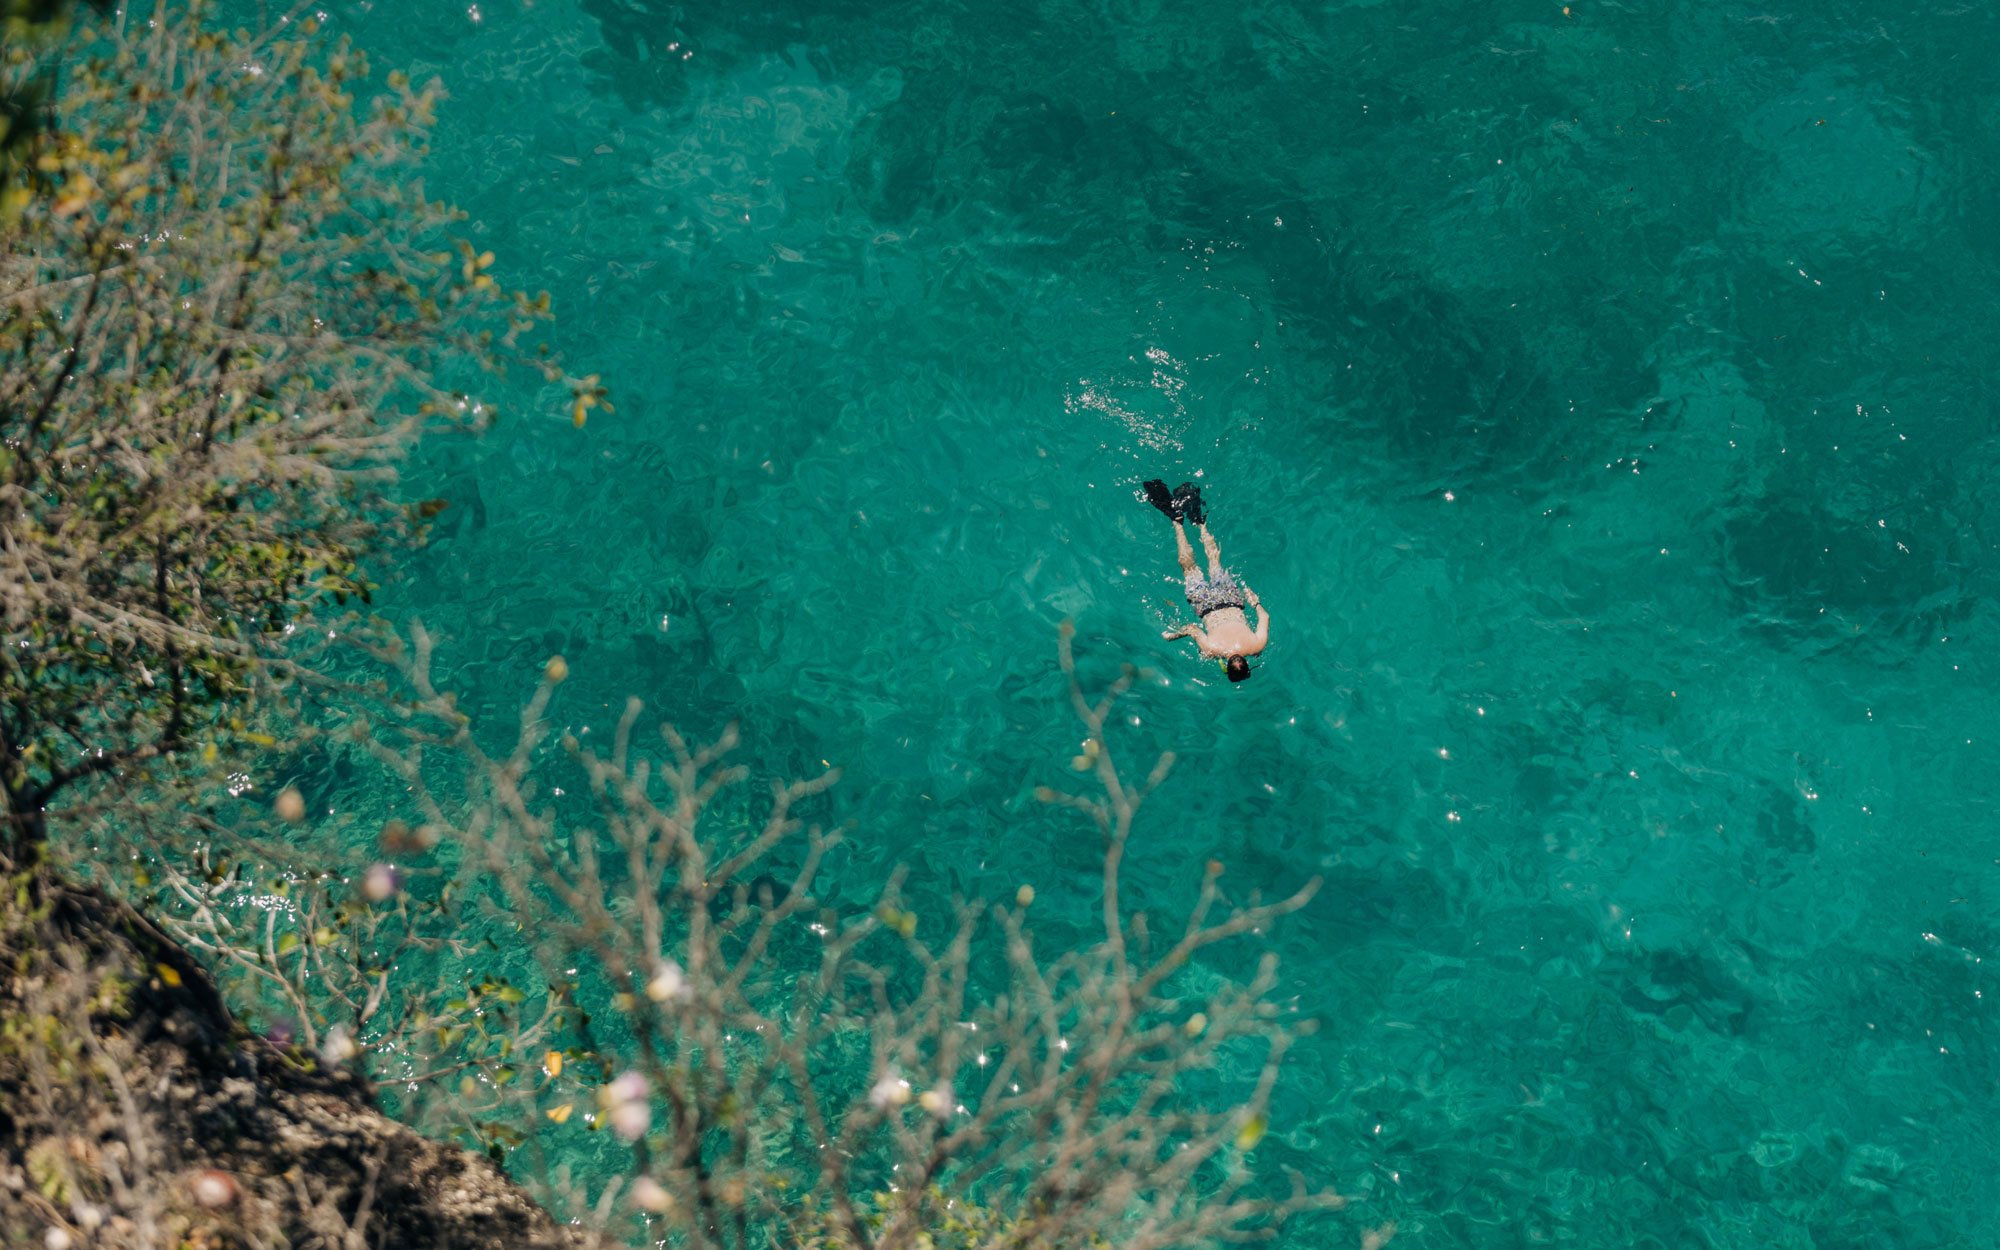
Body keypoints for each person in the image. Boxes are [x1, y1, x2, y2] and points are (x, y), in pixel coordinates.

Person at [1142, 480, 1268, 682]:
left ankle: (1200, 522)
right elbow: (1192, 629)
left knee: (1214, 560)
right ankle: (1177, 521)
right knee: (1188, 567)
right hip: (1206, 605)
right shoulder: (1211, 650)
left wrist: (1255, 602)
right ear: (1226, 668)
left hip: (1232, 599)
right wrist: (1174, 636)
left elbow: (1265, 618)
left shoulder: (1257, 645)